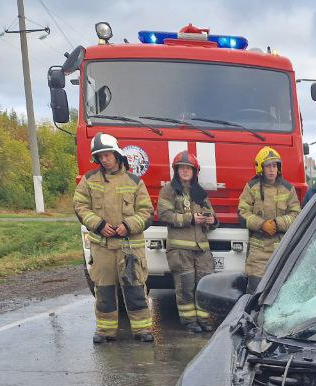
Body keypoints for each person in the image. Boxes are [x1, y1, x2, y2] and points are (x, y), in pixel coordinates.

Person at [73, 133, 155, 343]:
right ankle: (105, 331)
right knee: (105, 292)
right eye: (100, 157)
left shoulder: (135, 182)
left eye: (107, 155)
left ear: (117, 155)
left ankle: (142, 330)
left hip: (130, 248)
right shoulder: (89, 181)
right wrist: (99, 225)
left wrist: (127, 226)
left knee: (136, 289)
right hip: (103, 248)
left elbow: (147, 212)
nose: (104, 160)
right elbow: (80, 206)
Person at [156, 150, 217, 333]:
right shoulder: (168, 191)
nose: (185, 171)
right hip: (180, 249)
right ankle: (189, 321)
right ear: (176, 170)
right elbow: (164, 215)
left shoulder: (200, 192)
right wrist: (190, 218)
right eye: (181, 168)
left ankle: (205, 320)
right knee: (186, 286)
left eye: (188, 168)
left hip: (202, 249)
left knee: (205, 285)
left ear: (194, 171)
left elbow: (211, 213)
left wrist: (212, 220)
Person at [237, 146, 300, 287]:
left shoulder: (288, 188)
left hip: (281, 253)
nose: (272, 170)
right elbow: (242, 213)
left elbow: (296, 215)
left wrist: (277, 224)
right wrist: (261, 224)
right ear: (261, 168)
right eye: (268, 166)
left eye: (274, 165)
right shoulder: (251, 187)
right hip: (257, 257)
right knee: (254, 296)